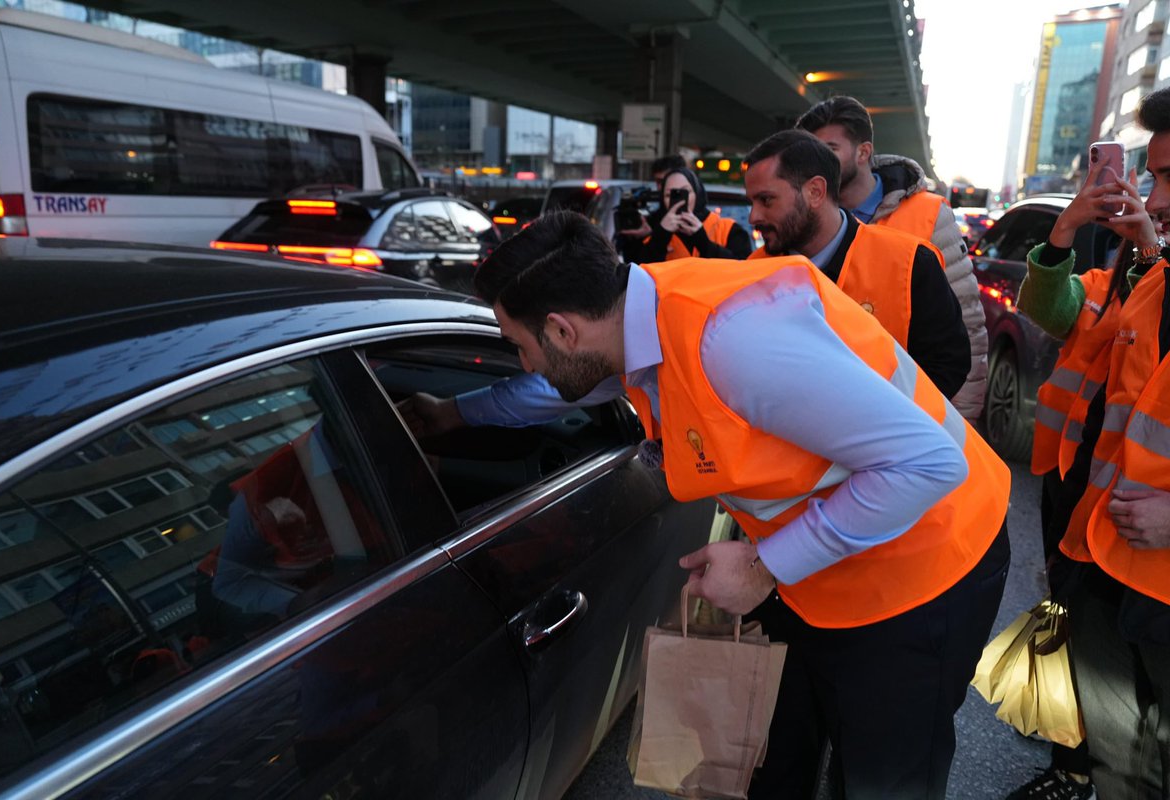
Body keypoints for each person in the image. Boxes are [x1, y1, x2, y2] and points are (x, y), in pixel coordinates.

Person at [403, 209, 1012, 799]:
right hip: (831, 573)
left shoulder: (734, 345)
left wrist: (762, 566)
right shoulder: (635, 319)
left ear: (563, 330)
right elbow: (550, 394)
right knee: (785, 762)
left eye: (520, 346)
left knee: (883, 778)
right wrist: (451, 414)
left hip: (927, 566)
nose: (524, 363)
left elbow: (930, 464)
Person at [1005, 87, 1170, 800]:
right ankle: (1067, 764)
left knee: (1134, 715)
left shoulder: (1153, 275)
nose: (1151, 197)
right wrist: (1066, 230)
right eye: (1151, 179)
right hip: (1082, 498)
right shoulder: (1121, 285)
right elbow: (1048, 307)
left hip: (1133, 527)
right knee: (1071, 642)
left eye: (1164, 182)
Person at [796, 95, 988, 420]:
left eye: (828, 150)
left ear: (863, 152)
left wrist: (960, 421)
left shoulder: (929, 214)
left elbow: (967, 325)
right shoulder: (806, 222)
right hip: (826, 414)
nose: (815, 163)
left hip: (909, 413)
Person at [745, 129, 970, 399]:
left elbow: (948, 365)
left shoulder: (910, 264)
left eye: (766, 200)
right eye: (751, 202)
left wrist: (874, 421)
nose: (753, 217)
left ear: (815, 192)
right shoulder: (751, 271)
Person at [635, 166, 752, 261]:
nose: (680, 200)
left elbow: (741, 270)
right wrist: (660, 237)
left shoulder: (729, 229)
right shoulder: (652, 230)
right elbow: (639, 276)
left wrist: (702, 241)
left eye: (685, 192)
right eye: (669, 195)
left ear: (697, 193)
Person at [616, 153, 687, 262]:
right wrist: (646, 237)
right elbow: (636, 265)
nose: (660, 187)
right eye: (658, 182)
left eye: (665, 181)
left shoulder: (701, 222)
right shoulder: (652, 220)